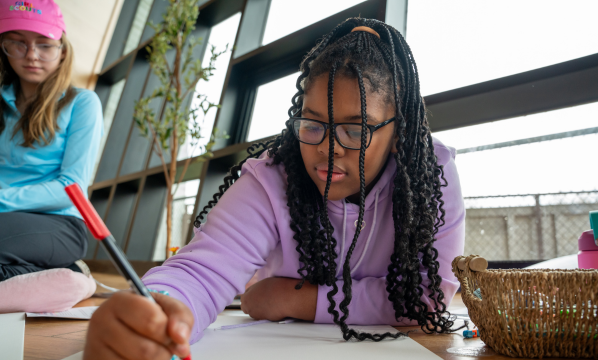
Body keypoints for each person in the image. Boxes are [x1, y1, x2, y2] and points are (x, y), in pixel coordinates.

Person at [84, 18, 465, 359]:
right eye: (313, 124)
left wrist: (294, 298)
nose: (326, 149)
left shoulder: (433, 172)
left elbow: (427, 297)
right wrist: (161, 308)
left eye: (354, 130)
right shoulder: (272, 177)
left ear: (397, 133)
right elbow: (201, 271)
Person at [0, 0, 103, 283]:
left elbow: (70, 188)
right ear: (3, 47)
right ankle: (64, 275)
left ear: (62, 50)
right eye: (17, 43)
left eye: (44, 44)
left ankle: (69, 274)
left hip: (58, 222)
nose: (31, 55)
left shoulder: (82, 103)